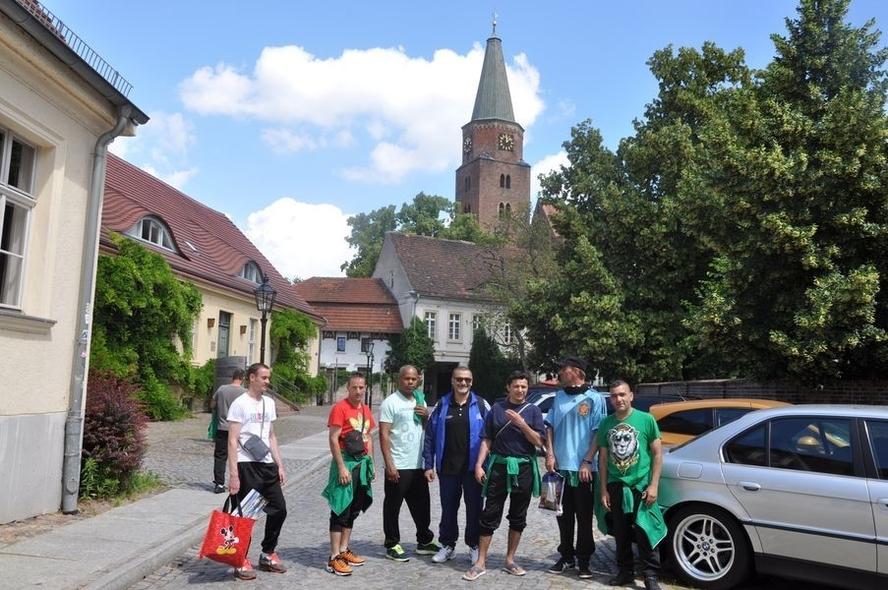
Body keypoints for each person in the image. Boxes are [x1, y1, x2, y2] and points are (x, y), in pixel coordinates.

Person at [463, 371, 545, 581]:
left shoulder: (534, 411)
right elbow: (486, 439)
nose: (520, 390)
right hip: (499, 467)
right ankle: (480, 561)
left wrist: (522, 424)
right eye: (516, 386)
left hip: (523, 467)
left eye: (524, 387)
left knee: (518, 515)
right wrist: (479, 465)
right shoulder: (497, 409)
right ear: (508, 387)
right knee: (489, 513)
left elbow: (538, 441)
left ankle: (510, 560)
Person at [598, 379, 667, 590]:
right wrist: (603, 490)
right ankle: (625, 573)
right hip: (617, 486)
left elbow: (657, 454)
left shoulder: (646, 420)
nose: (618, 399)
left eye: (621, 394)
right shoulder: (606, 423)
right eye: (613, 396)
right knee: (621, 532)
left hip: (641, 485)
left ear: (630, 396)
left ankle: (650, 576)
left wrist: (653, 485)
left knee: (645, 532)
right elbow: (602, 459)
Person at [545, 357, 607, 578]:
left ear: (576, 371)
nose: (560, 372)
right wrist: (550, 454)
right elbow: (549, 427)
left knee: (583, 516)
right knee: (562, 514)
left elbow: (599, 433)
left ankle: (584, 560)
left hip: (584, 469)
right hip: (560, 467)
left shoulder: (594, 398)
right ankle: (566, 555)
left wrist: (588, 461)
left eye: (564, 369)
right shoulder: (559, 397)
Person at [423, 366, 490, 565]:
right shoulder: (442, 405)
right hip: (448, 468)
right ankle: (448, 545)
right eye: (459, 379)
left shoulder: (481, 404)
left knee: (475, 510)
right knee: (448, 509)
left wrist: (488, 465)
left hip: (474, 470)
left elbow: (491, 436)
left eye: (467, 380)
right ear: (452, 381)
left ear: (472, 381)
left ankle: (474, 546)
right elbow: (430, 436)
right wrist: (428, 464)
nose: (463, 383)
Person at [227, 363, 288, 580]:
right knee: (246, 517)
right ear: (252, 378)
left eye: (268, 378)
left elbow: (271, 436)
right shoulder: (239, 404)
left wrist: (279, 464)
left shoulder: (269, 403)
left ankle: (268, 553)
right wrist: (234, 474)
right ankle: (240, 559)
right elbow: (232, 440)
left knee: (279, 509)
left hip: (267, 464)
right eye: (263, 378)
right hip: (247, 465)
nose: (267, 381)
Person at [379, 365, 440, 561]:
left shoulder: (420, 401)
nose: (410, 382)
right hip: (398, 464)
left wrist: (426, 417)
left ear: (418, 380)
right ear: (399, 379)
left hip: (417, 464)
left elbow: (426, 430)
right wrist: (389, 464)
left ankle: (424, 540)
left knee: (422, 506)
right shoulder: (391, 402)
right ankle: (392, 544)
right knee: (393, 506)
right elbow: (383, 434)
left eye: (414, 379)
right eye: (407, 378)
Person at [322, 372, 376, 576]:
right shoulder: (340, 408)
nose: (358, 391)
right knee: (340, 509)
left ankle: (344, 550)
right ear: (348, 388)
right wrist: (342, 466)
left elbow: (368, 437)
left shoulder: (366, 409)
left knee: (353, 508)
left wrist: (370, 464)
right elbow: (334, 439)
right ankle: (333, 557)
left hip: (361, 464)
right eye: (355, 387)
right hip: (345, 462)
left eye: (362, 387)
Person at [211, 368, 246, 493]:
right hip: (238, 430)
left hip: (222, 427)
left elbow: (212, 405)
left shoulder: (221, 389)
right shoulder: (245, 393)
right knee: (239, 456)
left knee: (220, 456)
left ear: (233, 377)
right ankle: (240, 482)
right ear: (242, 378)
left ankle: (219, 484)